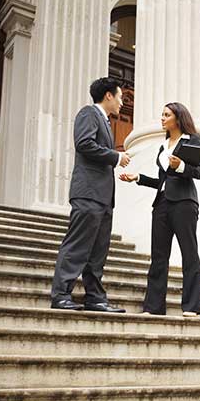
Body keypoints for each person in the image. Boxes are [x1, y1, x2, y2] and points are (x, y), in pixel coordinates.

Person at [50, 77, 129, 313]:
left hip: (103, 197)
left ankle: (95, 298)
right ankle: (61, 295)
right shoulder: (89, 114)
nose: (122, 103)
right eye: (120, 97)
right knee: (77, 246)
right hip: (88, 193)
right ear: (108, 95)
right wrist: (116, 157)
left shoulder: (104, 121)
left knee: (98, 251)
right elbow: (84, 143)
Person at [119, 102, 200, 316]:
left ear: (178, 118)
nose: (162, 118)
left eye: (166, 115)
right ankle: (153, 307)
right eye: (162, 114)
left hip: (185, 202)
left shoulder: (192, 140)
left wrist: (182, 166)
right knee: (158, 256)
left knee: (189, 252)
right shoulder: (163, 146)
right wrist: (137, 177)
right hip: (162, 203)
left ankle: (192, 307)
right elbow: (161, 180)